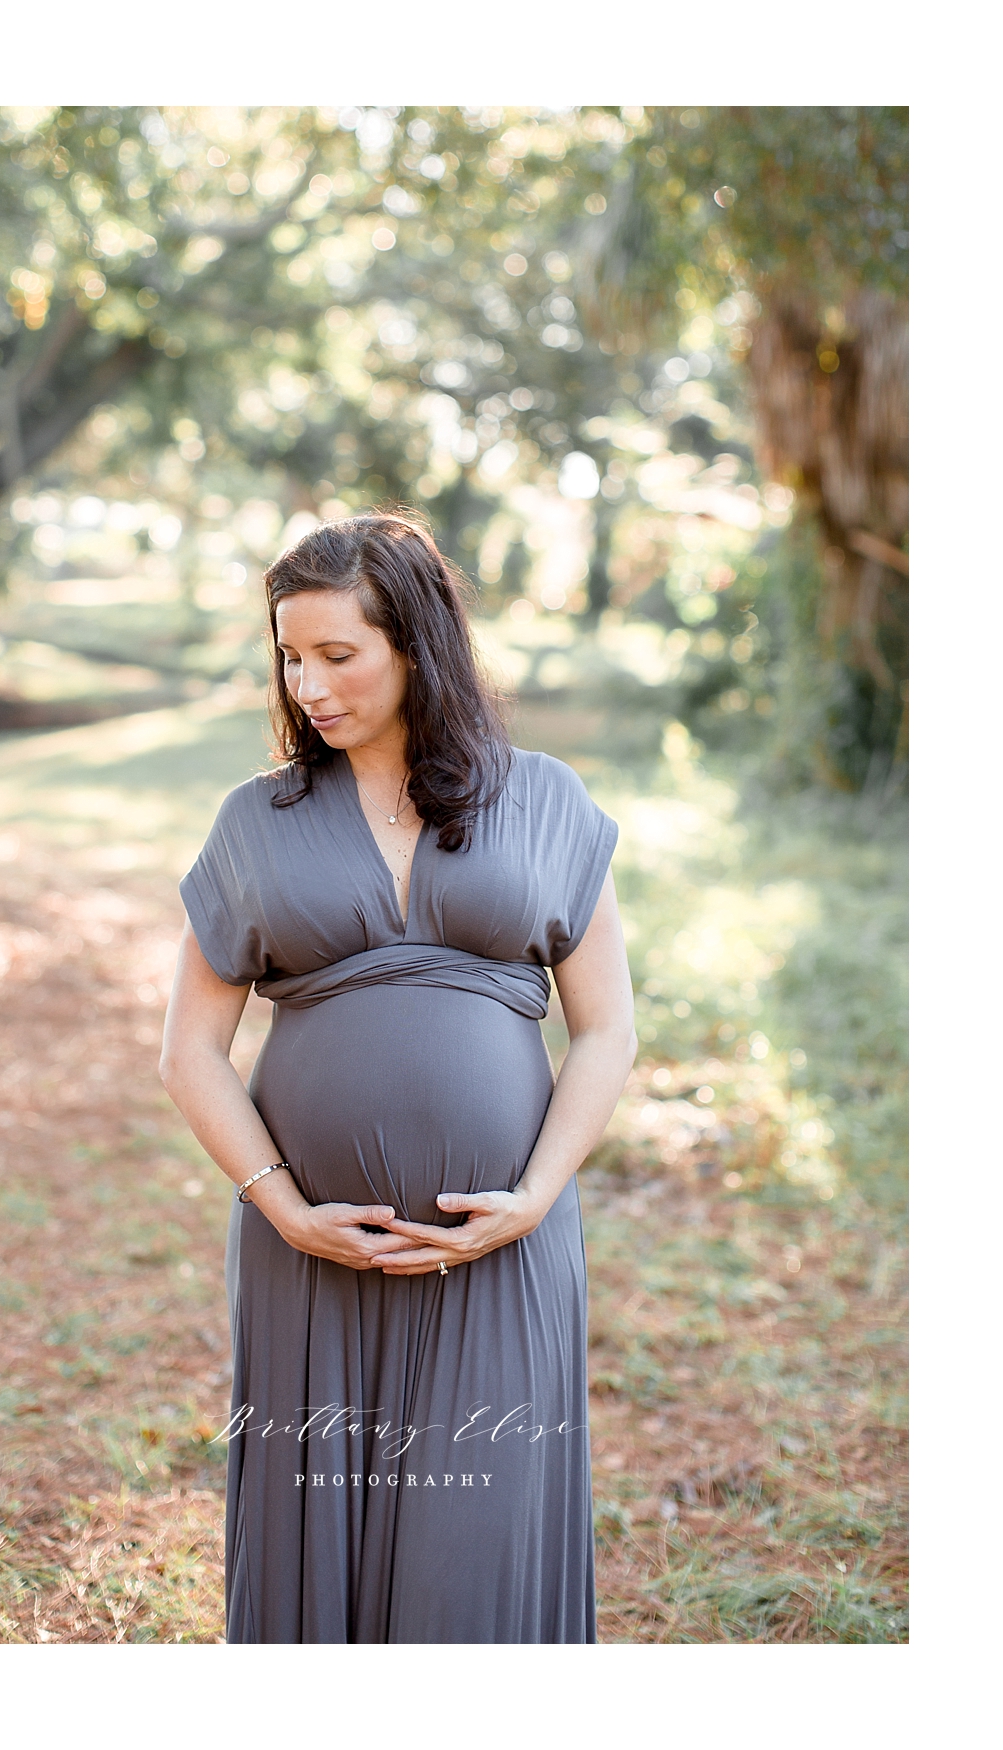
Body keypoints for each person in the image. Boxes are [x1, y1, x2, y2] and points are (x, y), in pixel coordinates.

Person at [159, 512, 636, 1643]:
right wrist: (284, 1209)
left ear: (416, 644)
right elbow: (188, 1051)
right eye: (288, 654)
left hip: (505, 1247)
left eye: (338, 654)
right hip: (310, 1256)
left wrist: (531, 1201)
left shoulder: (546, 800)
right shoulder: (254, 822)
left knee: (478, 1556)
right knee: (315, 1538)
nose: (307, 683)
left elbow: (606, 1031)